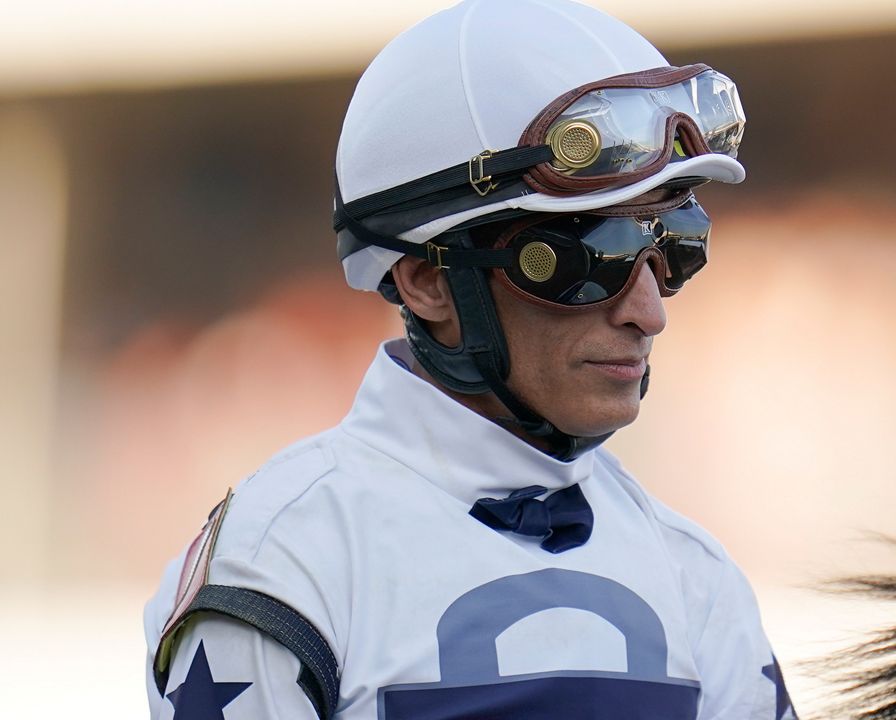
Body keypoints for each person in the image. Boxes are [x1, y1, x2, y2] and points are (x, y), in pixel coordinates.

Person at [143, 0, 795, 718]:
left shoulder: (696, 574)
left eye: (674, 245)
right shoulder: (284, 560)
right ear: (426, 280)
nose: (649, 311)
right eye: (595, 255)